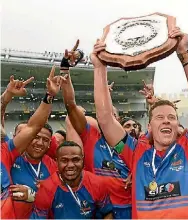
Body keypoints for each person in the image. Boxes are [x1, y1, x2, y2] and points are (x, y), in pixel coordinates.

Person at [91, 27, 188, 218]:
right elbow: (105, 119)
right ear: (149, 126)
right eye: (160, 117)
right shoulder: (136, 153)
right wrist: (99, 68)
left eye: (172, 118)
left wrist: (184, 53)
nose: (167, 121)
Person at [60, 40, 132, 219]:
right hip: (98, 210)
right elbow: (71, 106)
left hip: (130, 210)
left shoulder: (133, 145)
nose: (110, 120)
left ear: (119, 122)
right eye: (107, 117)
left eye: (114, 117)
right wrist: (65, 69)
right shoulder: (91, 137)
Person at [0, 66, 60, 219]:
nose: (39, 142)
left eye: (45, 139)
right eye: (36, 138)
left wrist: (50, 95)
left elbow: (34, 126)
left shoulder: (5, 153)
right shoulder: (11, 155)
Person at [30, 141, 113, 219]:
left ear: (82, 160)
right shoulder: (46, 188)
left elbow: (108, 213)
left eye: (75, 160)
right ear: (57, 162)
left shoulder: (97, 183)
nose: (70, 165)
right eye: (64, 160)